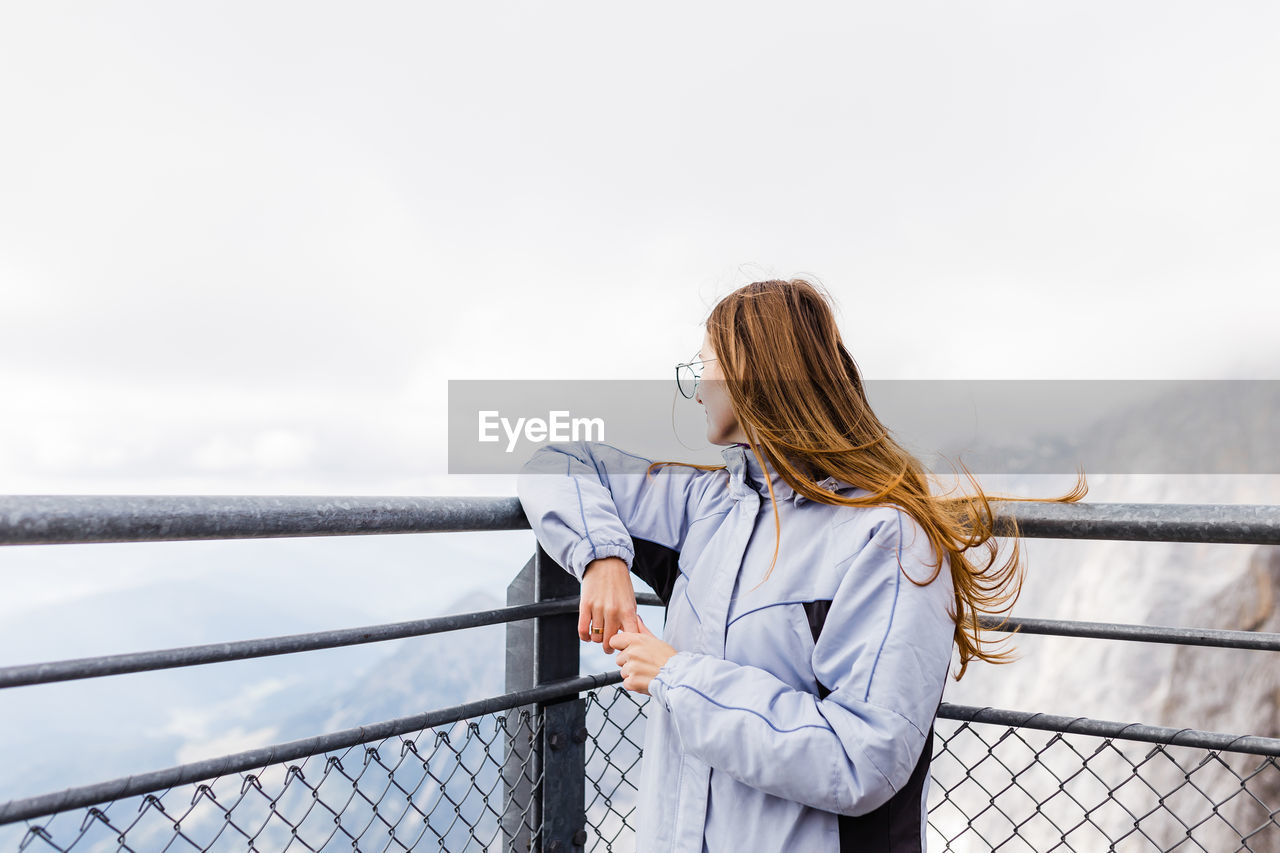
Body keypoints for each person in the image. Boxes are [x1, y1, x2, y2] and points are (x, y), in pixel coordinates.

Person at [516, 277, 1087, 852]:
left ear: (748, 370)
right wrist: (603, 558)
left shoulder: (888, 538)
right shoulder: (708, 506)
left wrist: (676, 677)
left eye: (702, 366)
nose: (694, 391)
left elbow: (862, 757)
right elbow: (556, 462)